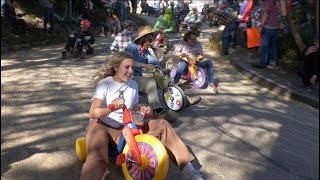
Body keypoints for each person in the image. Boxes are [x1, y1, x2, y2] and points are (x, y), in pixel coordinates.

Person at [79, 51, 204, 180]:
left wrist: (144, 108)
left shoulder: (133, 84)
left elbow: (133, 107)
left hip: (122, 128)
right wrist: (110, 108)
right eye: (126, 67)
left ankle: (188, 171)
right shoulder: (105, 84)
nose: (130, 71)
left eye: (132, 67)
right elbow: (93, 112)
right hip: (101, 124)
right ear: (116, 68)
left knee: (162, 124)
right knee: (98, 158)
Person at [124, 26, 202, 115]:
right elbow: (126, 61)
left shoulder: (145, 52)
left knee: (165, 78)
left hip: (138, 80)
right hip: (129, 79)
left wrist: (166, 62)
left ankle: (184, 99)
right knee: (150, 82)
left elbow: (156, 63)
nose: (150, 43)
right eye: (149, 40)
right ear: (142, 38)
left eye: (151, 40)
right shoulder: (131, 48)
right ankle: (158, 111)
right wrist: (143, 65)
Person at [251, 0, 282, 69]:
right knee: (273, 46)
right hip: (275, 26)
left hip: (267, 26)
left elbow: (266, 14)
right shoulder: (277, 1)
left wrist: (261, 25)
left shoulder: (268, 1)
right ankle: (272, 63)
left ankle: (262, 62)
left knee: (264, 46)